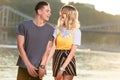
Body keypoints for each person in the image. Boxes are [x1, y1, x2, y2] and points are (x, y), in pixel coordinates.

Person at [16, 1, 54, 80]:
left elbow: (47, 50)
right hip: (23, 67)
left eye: (50, 11)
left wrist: (42, 66)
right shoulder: (23, 25)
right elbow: (20, 46)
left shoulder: (51, 30)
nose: (49, 13)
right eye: (47, 11)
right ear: (39, 11)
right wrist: (28, 65)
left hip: (38, 69)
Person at [46, 5, 81, 80]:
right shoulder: (57, 29)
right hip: (57, 59)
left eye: (63, 13)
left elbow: (72, 53)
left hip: (68, 61)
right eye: (61, 13)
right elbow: (53, 48)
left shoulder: (76, 31)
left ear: (70, 15)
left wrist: (62, 68)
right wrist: (45, 65)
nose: (61, 15)